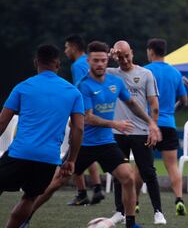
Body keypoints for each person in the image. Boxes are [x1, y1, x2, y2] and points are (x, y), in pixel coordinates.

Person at [22, 41, 162, 228]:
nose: (100, 64)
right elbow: (88, 118)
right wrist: (114, 123)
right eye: (95, 60)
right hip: (85, 144)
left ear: (107, 60)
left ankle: (130, 223)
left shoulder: (115, 82)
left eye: (103, 60)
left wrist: (151, 122)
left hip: (106, 144)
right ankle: (25, 216)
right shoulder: (84, 86)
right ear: (88, 61)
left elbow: (132, 105)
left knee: (127, 177)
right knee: (56, 182)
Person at [0, 44, 84, 228]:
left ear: (36, 62)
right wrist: (71, 160)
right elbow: (78, 129)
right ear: (58, 64)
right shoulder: (73, 92)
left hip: (19, 153)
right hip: (48, 159)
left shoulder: (23, 87)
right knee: (29, 197)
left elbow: (2, 122)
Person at [106, 40, 166, 225]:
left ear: (132, 52)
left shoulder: (146, 74)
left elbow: (154, 105)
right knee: (119, 174)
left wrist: (153, 128)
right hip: (119, 132)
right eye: (120, 56)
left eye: (126, 55)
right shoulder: (110, 73)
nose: (124, 60)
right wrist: (107, 57)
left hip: (141, 132)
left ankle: (158, 211)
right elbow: (87, 73)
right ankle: (120, 212)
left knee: (148, 171)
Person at [145, 38, 188, 216]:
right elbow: (185, 101)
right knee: (172, 166)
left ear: (151, 51)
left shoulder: (144, 71)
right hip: (168, 125)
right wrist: (171, 110)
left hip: (148, 125)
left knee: (142, 165)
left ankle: (136, 203)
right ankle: (179, 199)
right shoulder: (175, 73)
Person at [64, 34, 104, 206]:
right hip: (95, 113)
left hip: (85, 114)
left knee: (76, 151)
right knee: (85, 151)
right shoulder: (89, 61)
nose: (65, 51)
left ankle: (83, 192)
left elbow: (83, 91)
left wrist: (76, 117)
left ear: (73, 47)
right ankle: (96, 188)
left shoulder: (79, 65)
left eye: (66, 47)